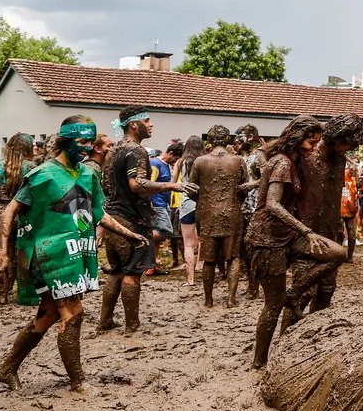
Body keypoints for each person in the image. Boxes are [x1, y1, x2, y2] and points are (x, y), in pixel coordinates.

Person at [0, 117, 145, 392]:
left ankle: (7, 367)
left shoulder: (89, 175)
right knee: (73, 313)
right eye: (81, 143)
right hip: (50, 253)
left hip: (77, 252)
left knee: (49, 314)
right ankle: (78, 382)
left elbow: (98, 213)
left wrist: (127, 232)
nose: (87, 148)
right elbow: (10, 209)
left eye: (90, 142)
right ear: (66, 142)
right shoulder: (43, 174)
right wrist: (2, 250)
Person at [245, 115, 348, 370]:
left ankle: (293, 294)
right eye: (311, 143)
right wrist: (307, 231)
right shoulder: (282, 163)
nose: (314, 148)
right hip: (267, 239)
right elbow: (272, 204)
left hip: (287, 236)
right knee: (272, 305)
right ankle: (259, 362)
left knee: (337, 254)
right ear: (296, 139)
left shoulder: (293, 162)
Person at [97, 107, 195, 334]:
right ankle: (132, 325)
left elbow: (108, 186)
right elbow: (136, 184)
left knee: (115, 271)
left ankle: (105, 321)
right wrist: (172, 185)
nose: (151, 125)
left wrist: (147, 205)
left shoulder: (112, 151)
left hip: (113, 217)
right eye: (147, 121)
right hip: (130, 219)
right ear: (134, 125)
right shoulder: (136, 151)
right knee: (132, 273)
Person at [288, 114, 363, 324]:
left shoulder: (339, 160)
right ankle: (285, 339)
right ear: (336, 137)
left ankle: (316, 336)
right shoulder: (306, 157)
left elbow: (333, 196)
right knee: (303, 291)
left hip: (331, 233)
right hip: (306, 235)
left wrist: (338, 228)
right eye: (346, 144)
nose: (347, 149)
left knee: (327, 290)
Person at [189, 126, 250, 308]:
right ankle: (231, 299)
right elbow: (243, 188)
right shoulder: (238, 161)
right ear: (227, 140)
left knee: (209, 259)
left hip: (207, 213)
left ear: (210, 141)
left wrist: (202, 200)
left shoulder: (200, 161)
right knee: (233, 257)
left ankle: (209, 300)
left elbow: (192, 189)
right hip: (232, 212)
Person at [0, 134, 35, 304]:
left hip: (0, 212)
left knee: (3, 253)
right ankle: (21, 291)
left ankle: (2, 294)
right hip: (21, 213)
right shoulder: (30, 166)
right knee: (21, 254)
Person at [236, 124, 265, 299]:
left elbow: (268, 177)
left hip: (255, 208)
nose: (236, 140)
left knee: (254, 250)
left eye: (240, 136)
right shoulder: (242, 157)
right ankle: (251, 284)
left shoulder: (259, 156)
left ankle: (255, 287)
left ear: (251, 137)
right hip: (243, 208)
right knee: (244, 250)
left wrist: (251, 184)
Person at [174, 136, 204, 287]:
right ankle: (203, 267)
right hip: (204, 203)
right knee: (205, 238)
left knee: (188, 244)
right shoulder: (205, 161)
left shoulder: (180, 162)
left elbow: (172, 184)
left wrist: (183, 184)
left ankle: (190, 280)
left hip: (187, 204)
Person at [341, 159, 360, 262]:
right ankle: (338, 254)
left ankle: (350, 256)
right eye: (353, 169)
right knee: (339, 232)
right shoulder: (342, 174)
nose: (354, 171)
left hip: (351, 208)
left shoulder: (354, 178)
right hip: (341, 207)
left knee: (351, 233)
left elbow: (357, 190)